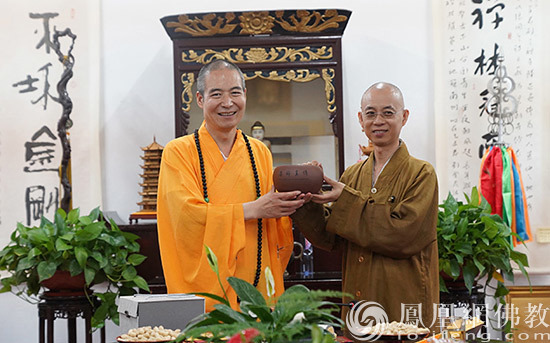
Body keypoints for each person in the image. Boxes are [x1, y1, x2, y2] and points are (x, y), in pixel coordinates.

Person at [157, 60, 305, 311]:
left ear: (245, 96)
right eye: (217, 94)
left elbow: (273, 217)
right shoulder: (178, 152)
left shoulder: (259, 151)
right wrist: (253, 209)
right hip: (206, 288)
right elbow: (187, 216)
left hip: (255, 286)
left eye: (235, 93)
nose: (228, 103)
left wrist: (300, 190)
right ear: (200, 99)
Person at [291, 82, 439, 332]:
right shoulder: (352, 175)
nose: (378, 120)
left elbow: (404, 235)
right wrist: (308, 200)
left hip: (404, 304)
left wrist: (345, 199)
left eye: (388, 113)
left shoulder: (421, 173)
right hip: (358, 305)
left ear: (404, 117)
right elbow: (331, 238)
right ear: (360, 119)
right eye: (370, 113)